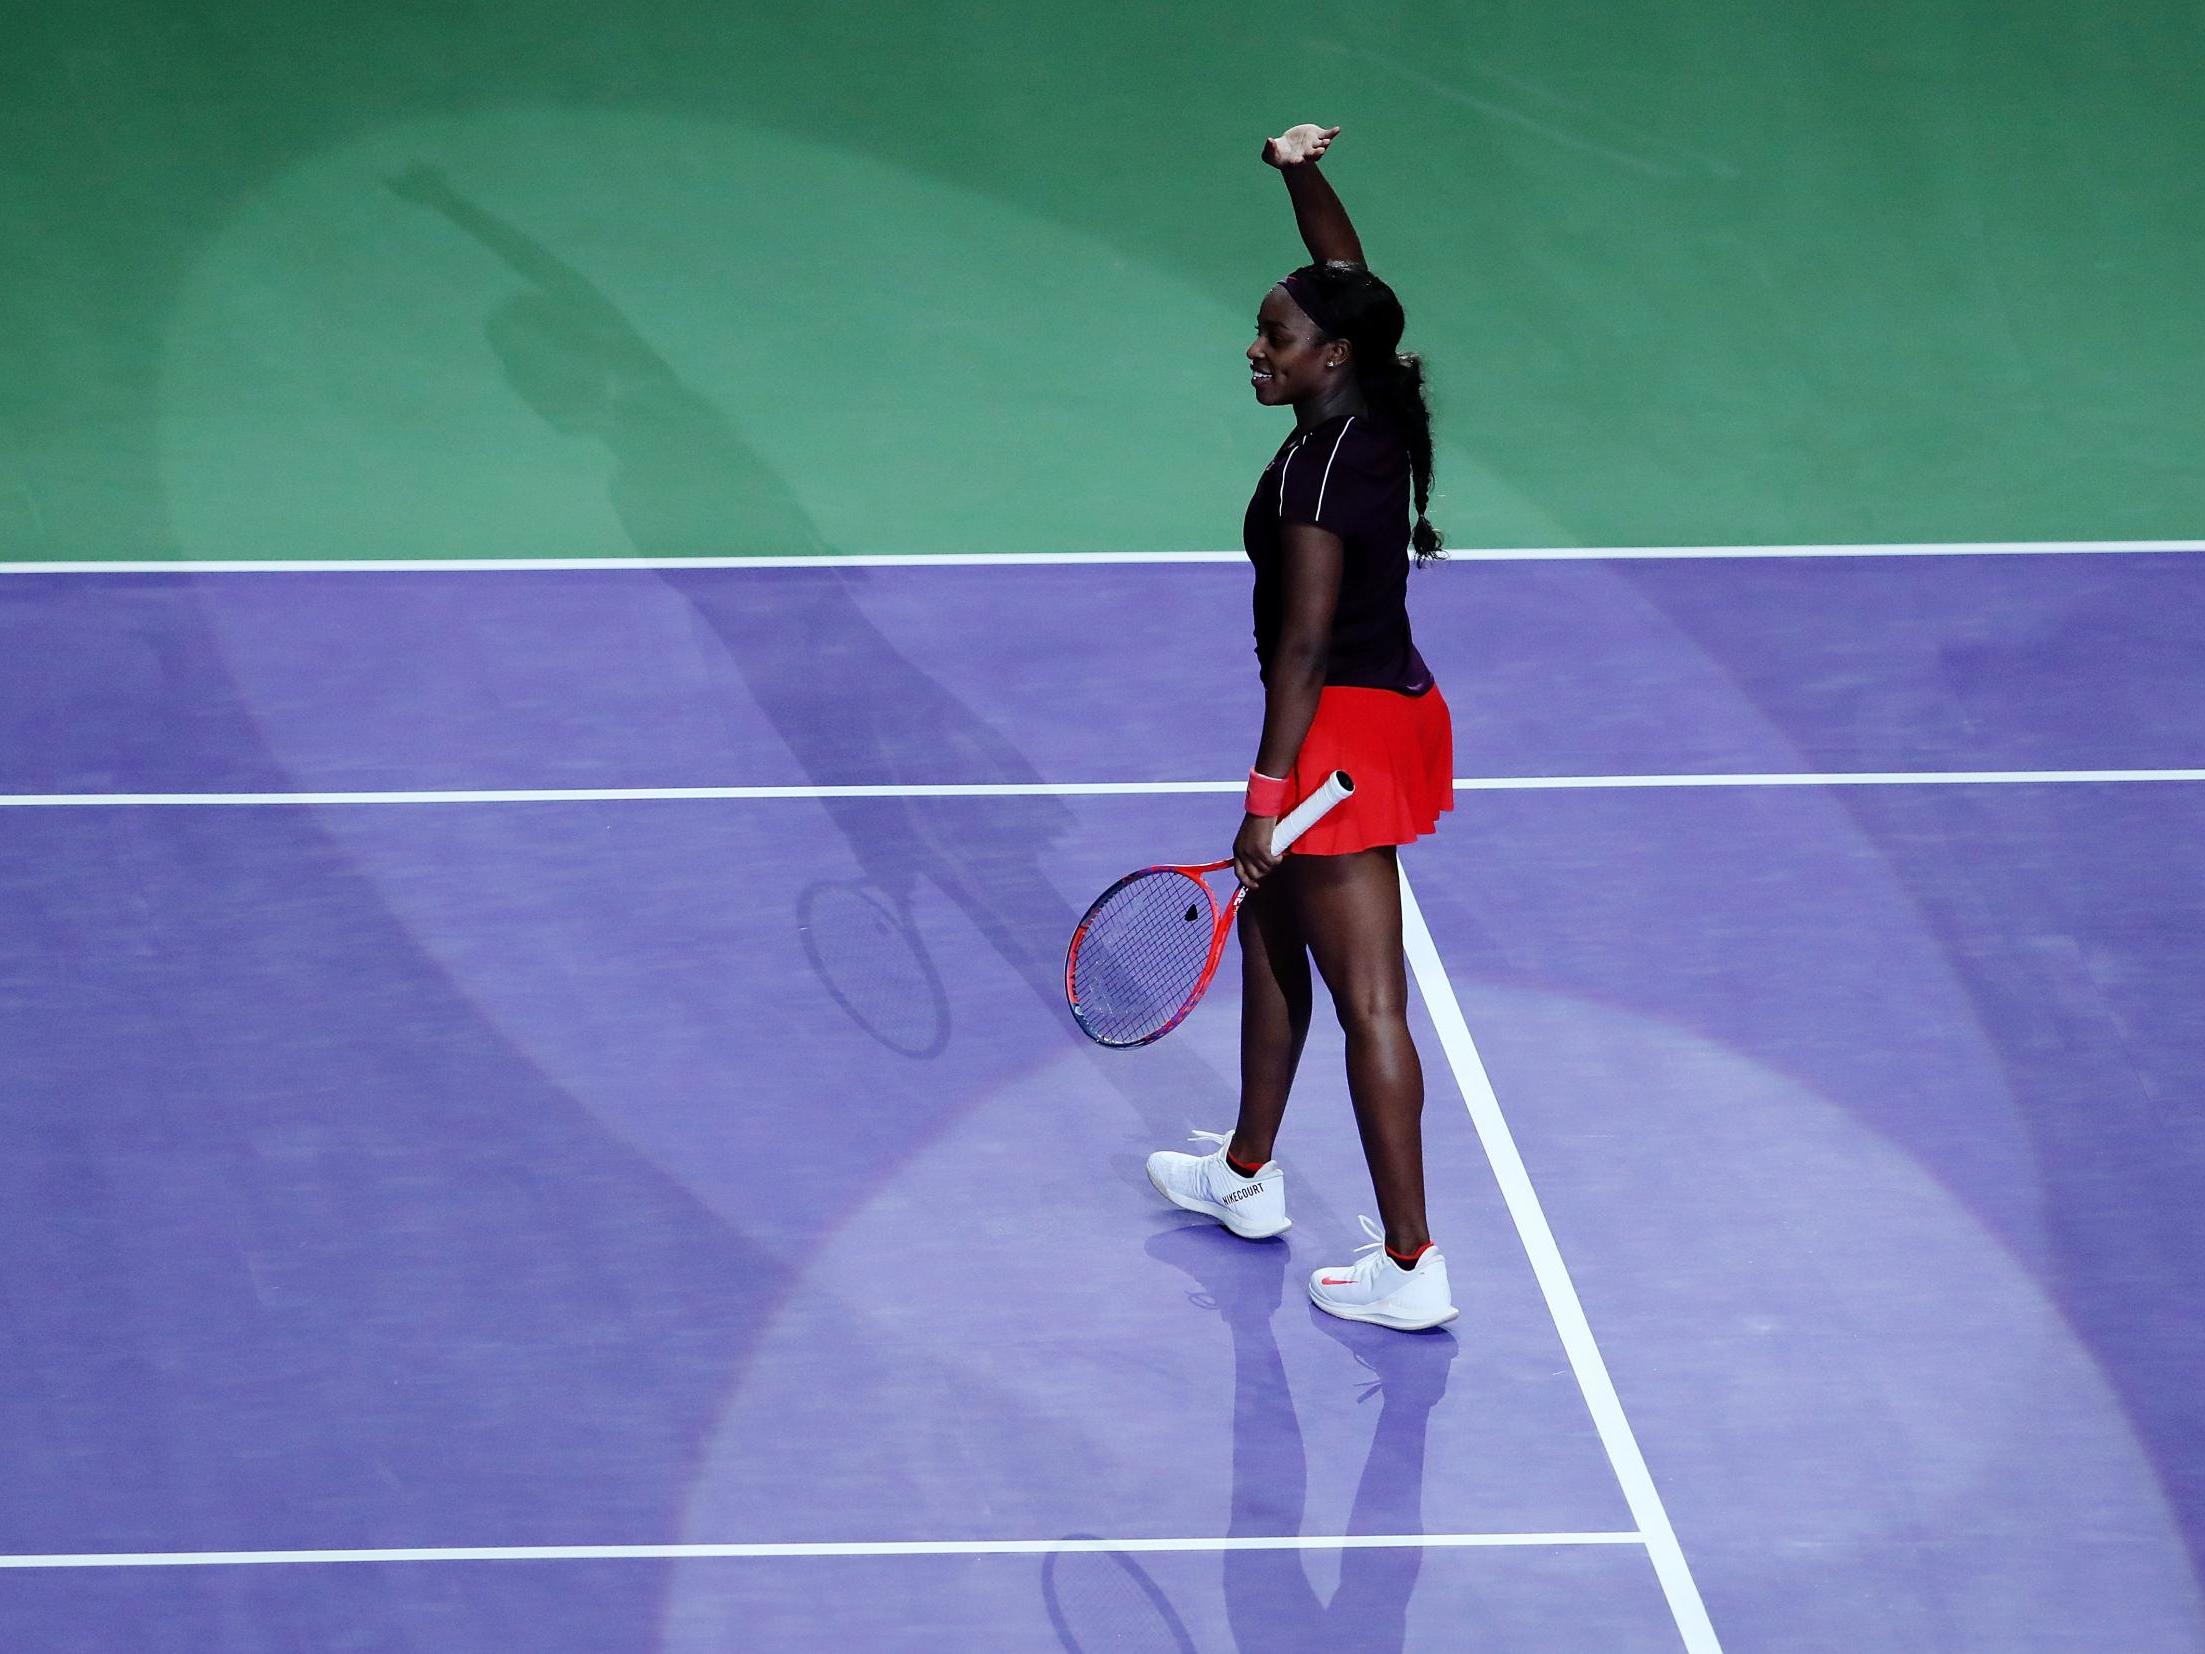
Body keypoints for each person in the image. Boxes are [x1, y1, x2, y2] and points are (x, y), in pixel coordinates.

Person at [1147, 123, 1457, 1332]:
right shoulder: (1364, 395)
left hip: (1335, 738)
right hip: (1383, 712)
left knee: (1369, 1000)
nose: (1256, 348)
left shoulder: (1321, 478)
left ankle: (1412, 1258)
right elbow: (1351, 275)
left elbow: (1304, 649)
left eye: (1275, 338)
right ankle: (1244, 1174)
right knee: (1274, 956)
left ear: (1330, 357)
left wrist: (1267, 794)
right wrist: (1296, 174)